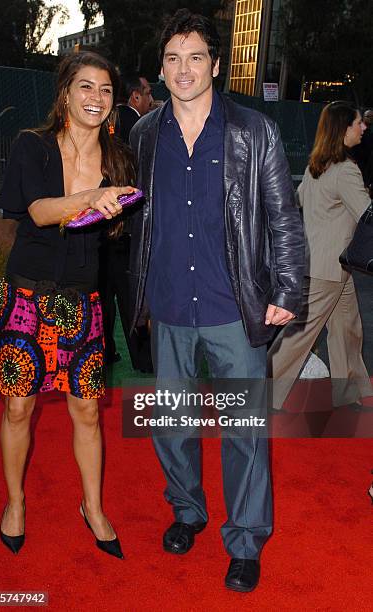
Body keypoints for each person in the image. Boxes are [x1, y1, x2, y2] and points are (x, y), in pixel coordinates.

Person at [129, 9, 304, 593]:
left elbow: (283, 215)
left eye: (196, 57)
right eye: (173, 58)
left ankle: (246, 539)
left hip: (235, 303)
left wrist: (287, 288)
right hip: (170, 303)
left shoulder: (254, 131)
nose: (184, 69)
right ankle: (187, 511)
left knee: (243, 429)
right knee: (172, 425)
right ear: (161, 69)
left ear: (216, 65)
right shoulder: (144, 133)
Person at [0, 51, 136, 557]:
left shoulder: (117, 158)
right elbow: (39, 212)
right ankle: (15, 502)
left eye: (106, 90)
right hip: (26, 295)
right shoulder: (33, 147)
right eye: (86, 87)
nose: (96, 98)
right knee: (19, 406)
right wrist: (93, 198)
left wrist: (117, 205)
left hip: (83, 301)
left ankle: (92, 507)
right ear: (66, 93)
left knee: (87, 412)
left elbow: (117, 228)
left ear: (114, 102)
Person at [268, 101, 372, 413]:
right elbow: (366, 214)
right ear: (343, 130)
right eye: (358, 123)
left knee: (346, 329)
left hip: (327, 265)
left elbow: (301, 204)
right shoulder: (346, 170)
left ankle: (349, 393)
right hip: (328, 268)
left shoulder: (318, 167)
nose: (363, 127)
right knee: (297, 335)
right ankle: (261, 393)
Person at [99, 72, 154, 372]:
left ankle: (106, 351)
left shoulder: (109, 129)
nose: (151, 98)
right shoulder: (140, 128)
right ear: (135, 96)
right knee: (131, 294)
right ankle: (143, 358)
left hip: (104, 227)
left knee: (105, 294)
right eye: (147, 93)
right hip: (126, 225)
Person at [115, 73, 153, 143]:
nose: (151, 100)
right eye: (148, 94)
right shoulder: (141, 128)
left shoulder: (108, 119)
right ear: (136, 97)